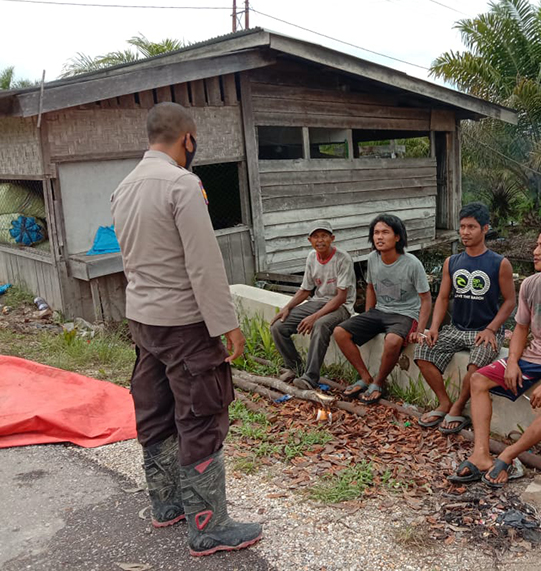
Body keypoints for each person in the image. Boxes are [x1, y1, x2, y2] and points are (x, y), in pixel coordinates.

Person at [111, 102, 262, 557]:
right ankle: (208, 527)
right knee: (200, 415)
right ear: (187, 139)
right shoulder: (182, 184)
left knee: (155, 408)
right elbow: (204, 263)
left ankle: (167, 505)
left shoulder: (124, 187)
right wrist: (227, 324)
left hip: (143, 319)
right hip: (184, 322)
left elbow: (129, 258)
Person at [449, 224, 541, 487]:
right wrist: (512, 362)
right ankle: (481, 454)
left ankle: (508, 454)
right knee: (478, 380)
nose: (535, 252)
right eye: (536, 245)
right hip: (535, 356)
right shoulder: (531, 284)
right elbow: (521, 328)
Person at [415, 202, 515, 433]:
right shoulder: (452, 262)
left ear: (485, 229)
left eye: (471, 227)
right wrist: (434, 327)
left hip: (485, 330)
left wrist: (491, 329)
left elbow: (510, 301)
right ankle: (444, 402)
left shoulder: (500, 263)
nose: (465, 232)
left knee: (476, 364)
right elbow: (442, 298)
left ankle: (458, 407)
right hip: (456, 327)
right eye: (462, 227)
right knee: (422, 352)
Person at [333, 214, 432, 404]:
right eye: (376, 233)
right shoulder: (373, 258)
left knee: (393, 340)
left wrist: (420, 330)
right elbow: (370, 287)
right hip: (379, 311)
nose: (379, 237)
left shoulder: (412, 263)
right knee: (340, 332)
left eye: (385, 232)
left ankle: (379, 382)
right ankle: (365, 378)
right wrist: (368, 314)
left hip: (405, 314)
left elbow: (426, 299)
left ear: (397, 237)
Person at [270, 220, 356, 390]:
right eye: (316, 237)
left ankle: (310, 377)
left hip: (341, 307)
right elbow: (306, 289)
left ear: (332, 238)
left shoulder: (343, 259)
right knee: (278, 327)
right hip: (317, 301)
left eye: (324, 236)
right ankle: (296, 369)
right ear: (310, 240)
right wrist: (287, 307)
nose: (320, 240)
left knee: (320, 324)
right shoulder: (311, 256)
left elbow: (341, 297)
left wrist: (314, 317)